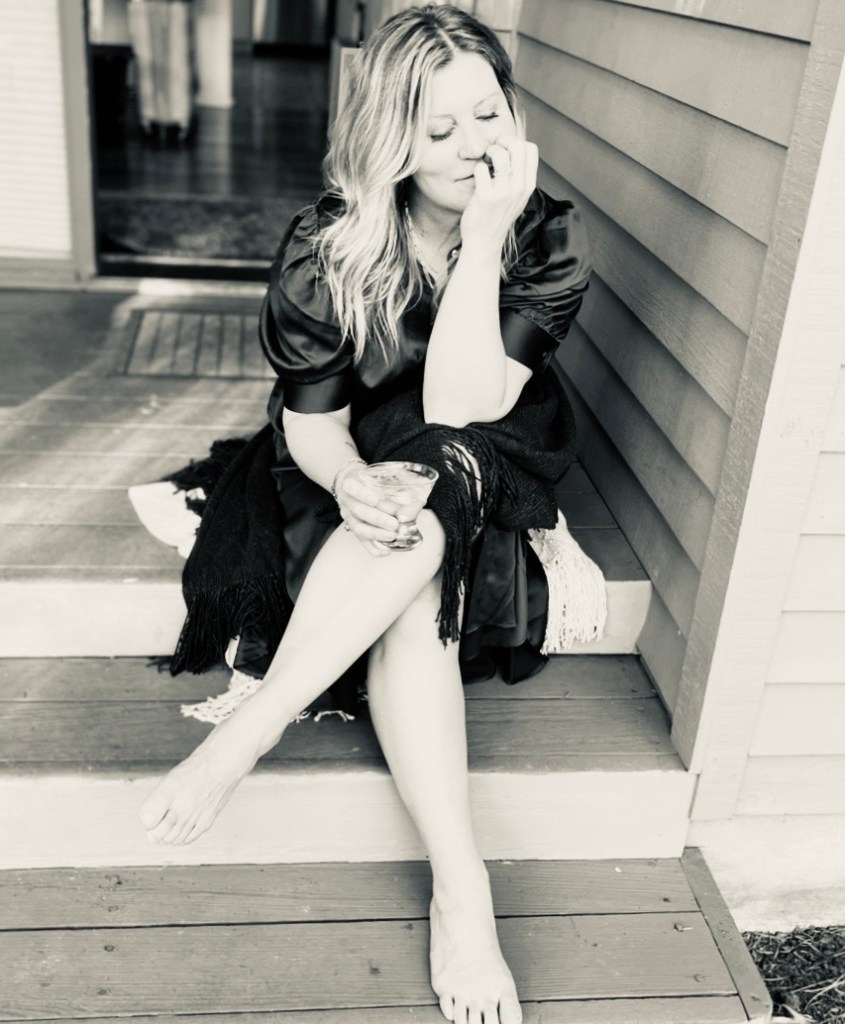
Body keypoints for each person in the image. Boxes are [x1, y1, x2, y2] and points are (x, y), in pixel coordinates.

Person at [138, 6, 596, 1024]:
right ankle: (462, 888)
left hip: (490, 439)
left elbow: (463, 404)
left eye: (488, 113)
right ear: (392, 141)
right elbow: (313, 423)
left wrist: (484, 242)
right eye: (439, 129)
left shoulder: (542, 233)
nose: (474, 145)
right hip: (361, 447)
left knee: (438, 475)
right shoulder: (325, 246)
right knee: (410, 565)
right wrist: (346, 481)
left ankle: (252, 729)